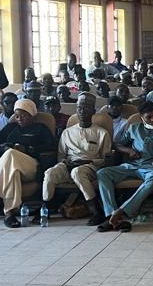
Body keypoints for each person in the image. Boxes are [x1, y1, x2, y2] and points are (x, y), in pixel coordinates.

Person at [0, 98, 57, 227]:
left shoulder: (41, 128)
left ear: (32, 115)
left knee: (11, 155)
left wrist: (28, 149)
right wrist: (4, 147)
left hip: (32, 166)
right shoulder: (11, 127)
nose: (19, 119)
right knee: (12, 170)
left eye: (23, 116)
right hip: (13, 166)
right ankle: (10, 214)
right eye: (17, 116)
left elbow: (51, 146)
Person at [95, 102, 153, 232]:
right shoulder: (134, 127)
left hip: (151, 167)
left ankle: (122, 212)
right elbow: (118, 144)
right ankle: (111, 214)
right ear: (141, 117)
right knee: (102, 173)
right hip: (131, 165)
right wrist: (129, 151)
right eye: (149, 117)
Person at [42, 93, 111, 224]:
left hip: (90, 167)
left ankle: (96, 210)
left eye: (86, 108)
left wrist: (87, 161)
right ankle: (46, 208)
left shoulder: (102, 133)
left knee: (77, 172)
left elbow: (105, 159)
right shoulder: (67, 132)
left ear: (93, 111)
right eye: (79, 107)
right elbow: (61, 155)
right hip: (69, 165)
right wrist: (65, 162)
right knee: (50, 173)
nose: (82, 111)